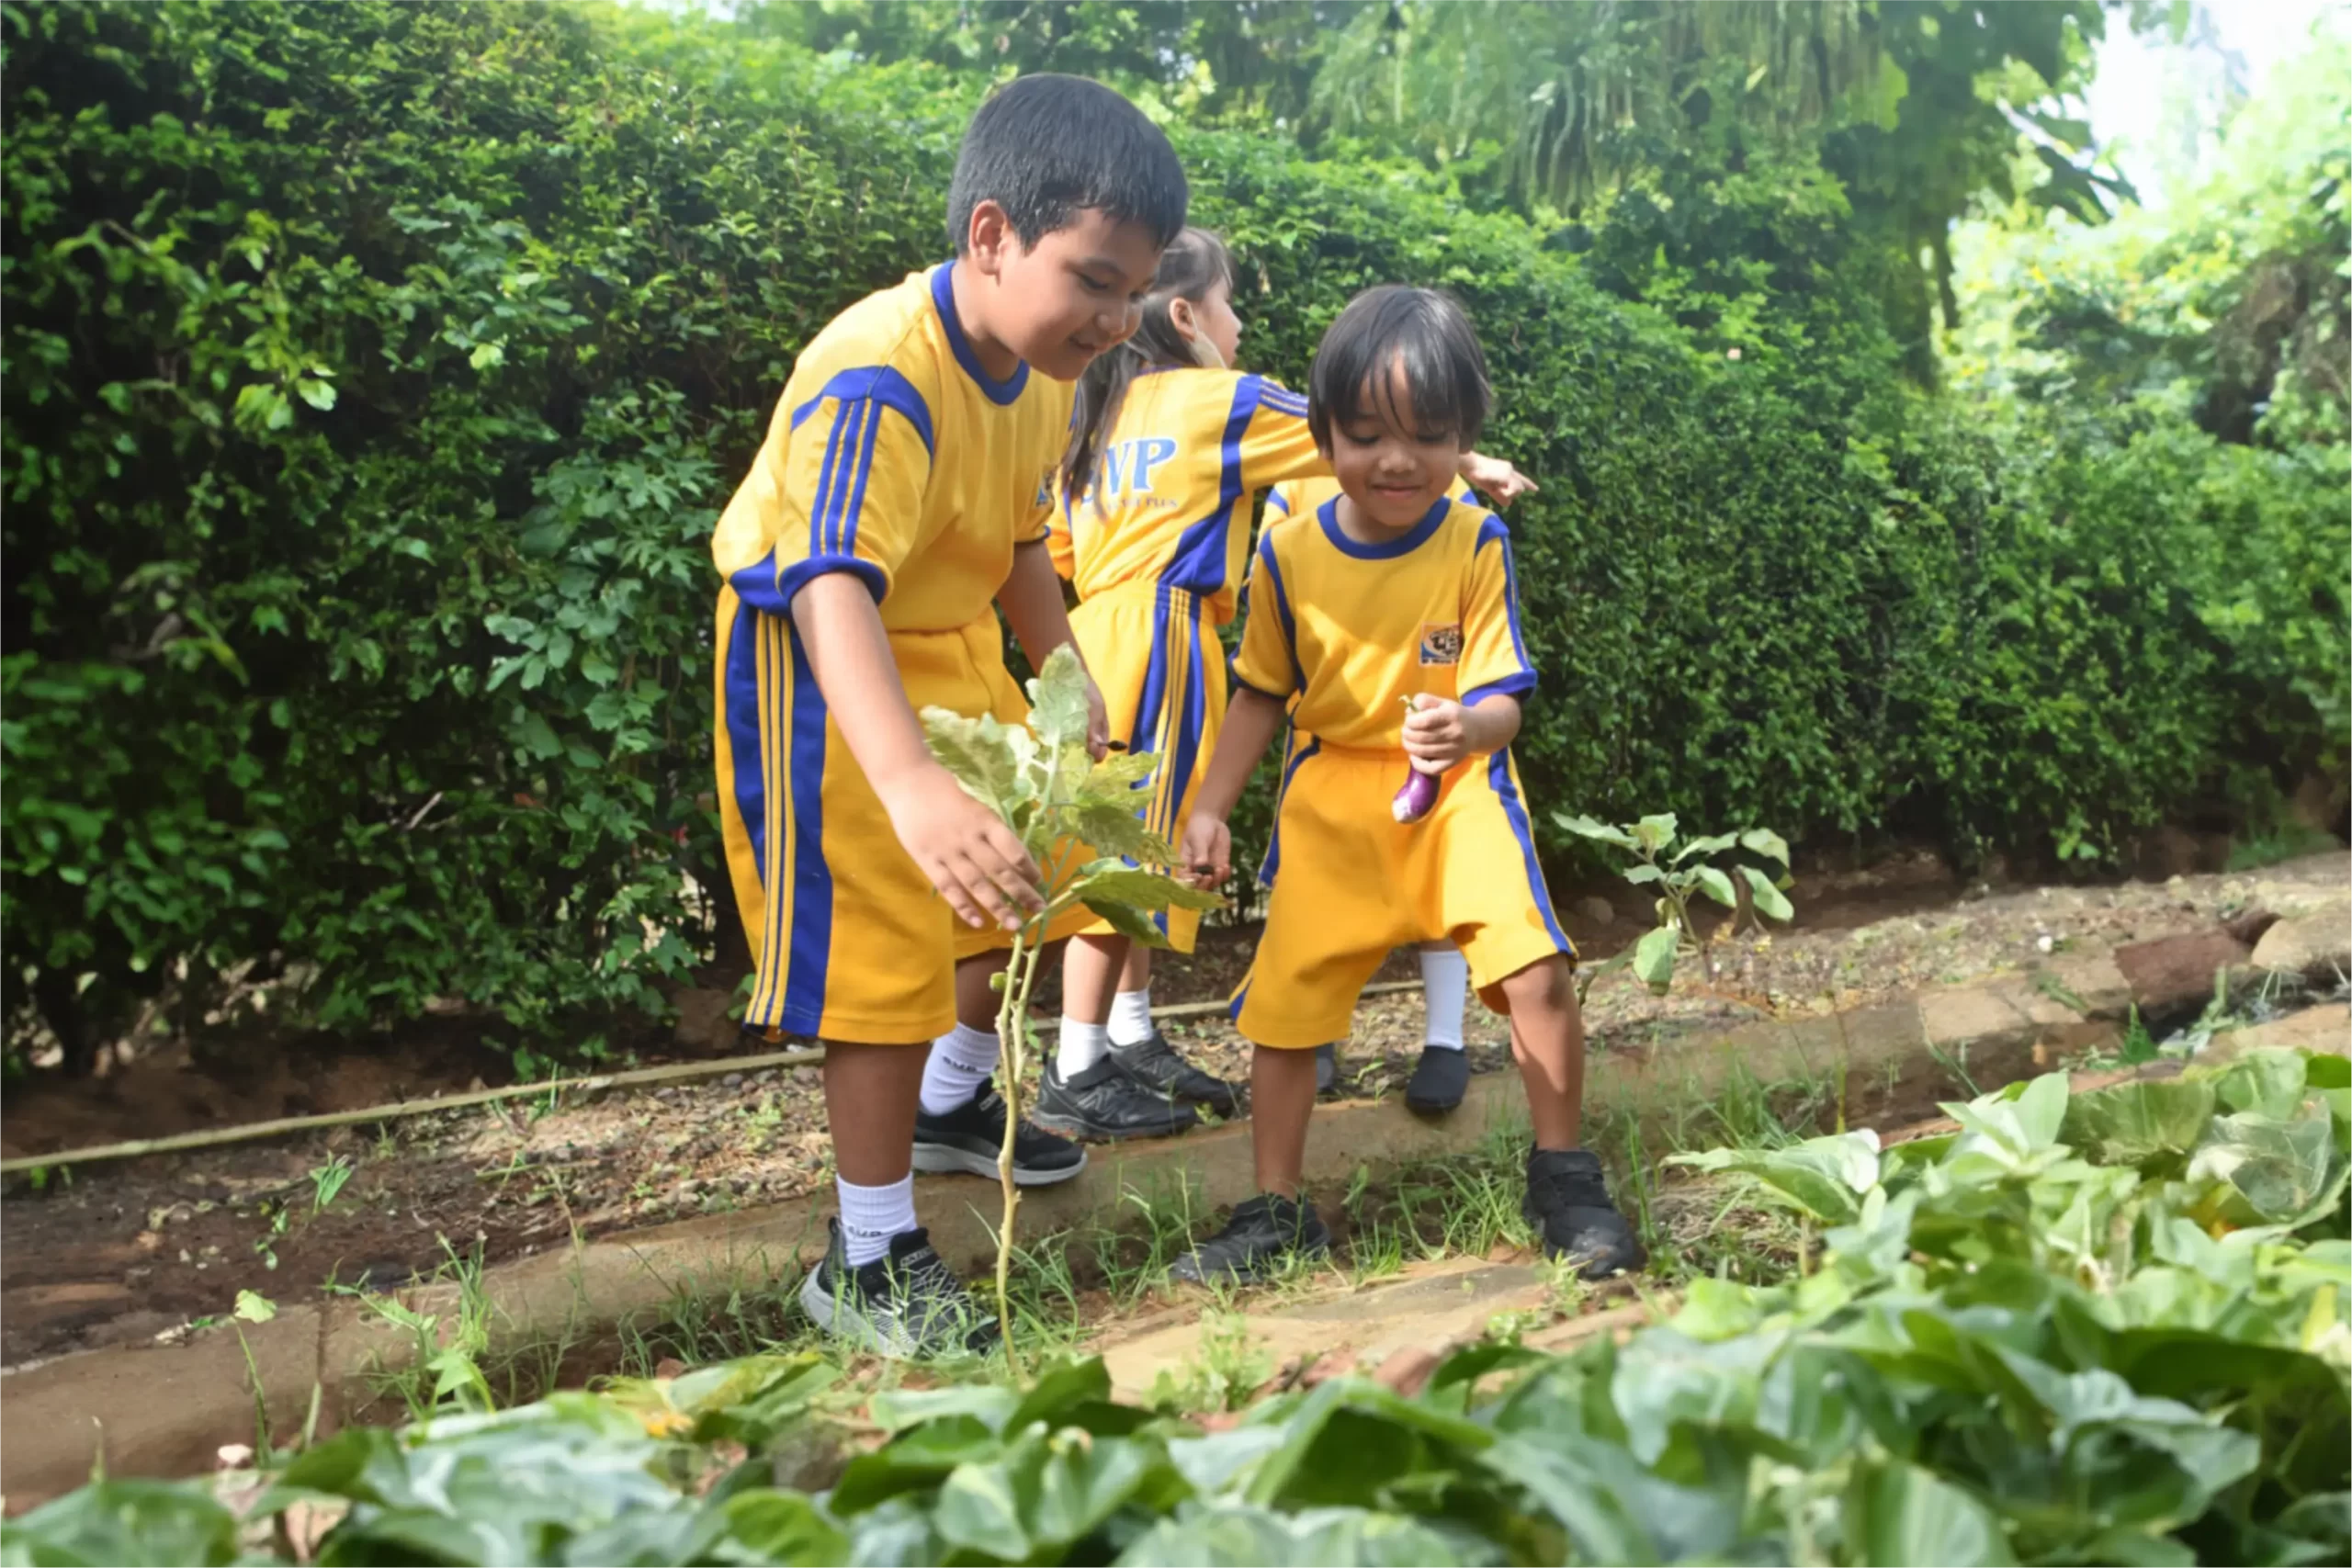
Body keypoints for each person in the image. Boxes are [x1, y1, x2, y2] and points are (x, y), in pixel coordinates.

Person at [708, 74, 1186, 1358]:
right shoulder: (879, 373)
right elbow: (828, 585)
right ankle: (865, 1249)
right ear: (991, 235)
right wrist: (911, 782)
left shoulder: (1037, 367)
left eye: (1133, 289)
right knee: (885, 941)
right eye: (1094, 278)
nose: (1117, 316)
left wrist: (1069, 683)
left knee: (1033, 868)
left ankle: (953, 1101)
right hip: (824, 655)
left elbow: (1023, 539)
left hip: (946, 628)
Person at [1173, 285, 1645, 1284]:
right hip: (1330, 799)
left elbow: (1504, 698)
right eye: (1368, 433)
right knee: (1282, 1014)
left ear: (1464, 437)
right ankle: (1276, 1210)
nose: (1397, 459)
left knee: (1537, 973)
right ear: (1325, 431)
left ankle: (1563, 1178)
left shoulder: (1474, 537)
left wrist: (1463, 723)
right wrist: (1208, 805)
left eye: (1428, 436)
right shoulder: (1287, 551)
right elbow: (1260, 691)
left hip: (1460, 790)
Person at [1043, 229, 1532, 1139]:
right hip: (1163, 632)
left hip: (1085, 631)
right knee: (1135, 850)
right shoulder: (1218, 402)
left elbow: (1061, 551)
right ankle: (1076, 1062)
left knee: (1119, 835)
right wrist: (1464, 460)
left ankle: (1124, 1034)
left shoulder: (1090, 416)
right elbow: (1341, 427)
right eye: (1230, 306)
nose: (1238, 327)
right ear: (1184, 314)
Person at [1265, 474, 1485, 1115]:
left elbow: (1470, 599)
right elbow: (1272, 600)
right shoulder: (1293, 489)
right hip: (1330, 738)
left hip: (1426, 728)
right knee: (1323, 886)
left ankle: (1445, 1038)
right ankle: (1319, 1029)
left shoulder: (1453, 494)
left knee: (1436, 880)